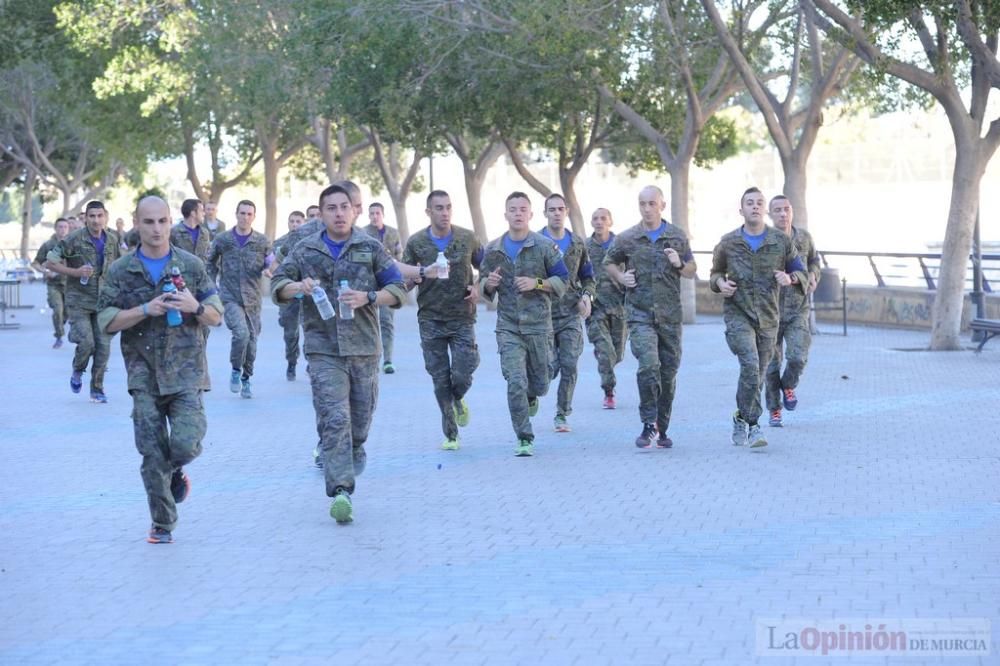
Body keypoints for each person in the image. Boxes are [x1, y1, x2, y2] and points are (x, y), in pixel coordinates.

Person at [271, 184, 405, 524]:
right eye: (331, 208)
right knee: (334, 418)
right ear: (322, 213)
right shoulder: (305, 249)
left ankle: (355, 448)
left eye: (344, 207)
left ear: (354, 210)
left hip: (363, 347)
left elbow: (396, 288)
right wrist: (298, 287)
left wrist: (369, 297)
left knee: (359, 421)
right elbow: (278, 285)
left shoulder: (370, 246)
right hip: (322, 349)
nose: (339, 213)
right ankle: (341, 490)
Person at [97, 196, 223, 544]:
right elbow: (106, 320)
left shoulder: (191, 266)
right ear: (136, 223)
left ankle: (177, 468)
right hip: (144, 374)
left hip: (186, 373)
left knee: (184, 444)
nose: (156, 229)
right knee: (151, 453)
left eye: (162, 221)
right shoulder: (121, 270)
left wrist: (194, 306)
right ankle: (163, 523)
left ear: (171, 222)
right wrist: (144, 309)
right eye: (148, 222)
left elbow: (216, 314)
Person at [710, 187, 807, 449]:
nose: (755, 206)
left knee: (758, 375)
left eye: (759, 203)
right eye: (749, 203)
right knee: (751, 366)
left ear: (765, 210)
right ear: (741, 210)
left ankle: (740, 415)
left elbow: (800, 270)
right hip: (738, 315)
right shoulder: (728, 242)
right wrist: (720, 283)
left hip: (768, 318)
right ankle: (754, 425)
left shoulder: (781, 241)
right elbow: (714, 273)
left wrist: (790, 278)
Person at [604, 186, 697, 449]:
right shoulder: (628, 238)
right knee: (648, 366)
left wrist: (679, 263)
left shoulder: (677, 236)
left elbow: (691, 269)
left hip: (669, 317)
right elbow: (609, 262)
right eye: (642, 204)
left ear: (662, 206)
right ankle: (647, 422)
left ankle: (662, 426)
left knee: (668, 373)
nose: (647, 209)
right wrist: (621, 277)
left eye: (652, 204)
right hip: (639, 313)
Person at [479, 192, 569, 457]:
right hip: (509, 327)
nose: (518, 213)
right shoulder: (493, 249)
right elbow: (482, 285)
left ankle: (533, 395)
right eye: (512, 209)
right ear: (505, 214)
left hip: (539, 326)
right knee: (515, 380)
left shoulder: (544, 246)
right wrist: (488, 284)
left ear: (530, 215)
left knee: (540, 383)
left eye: (523, 209)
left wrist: (537, 283)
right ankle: (524, 437)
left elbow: (562, 281)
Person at [400, 190, 483, 450]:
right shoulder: (416, 243)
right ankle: (451, 434)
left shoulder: (467, 238)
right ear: (428, 212)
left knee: (463, 371)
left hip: (462, 318)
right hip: (431, 319)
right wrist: (414, 279)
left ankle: (458, 398)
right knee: (439, 378)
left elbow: (488, 266)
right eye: (439, 208)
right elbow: (403, 279)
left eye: (448, 207)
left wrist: (478, 287)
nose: (445, 212)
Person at [45, 200, 123, 403]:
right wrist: (75, 272)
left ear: (105, 216)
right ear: (85, 218)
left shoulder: (113, 240)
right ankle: (78, 369)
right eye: (92, 216)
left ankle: (97, 389)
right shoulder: (73, 239)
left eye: (99, 216)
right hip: (78, 300)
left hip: (104, 301)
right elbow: (50, 262)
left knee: (103, 346)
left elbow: (119, 266)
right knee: (87, 343)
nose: (96, 220)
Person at [539, 193, 595, 433]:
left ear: (567, 211)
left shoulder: (577, 243)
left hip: (571, 313)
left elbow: (588, 277)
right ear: (545, 214)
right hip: (541, 315)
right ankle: (533, 393)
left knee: (570, 363)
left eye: (560, 209)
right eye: (552, 209)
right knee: (546, 368)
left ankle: (562, 414)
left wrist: (586, 296)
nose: (557, 213)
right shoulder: (535, 242)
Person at [205, 200, 272, 399]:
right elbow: (210, 262)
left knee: (251, 343)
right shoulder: (223, 239)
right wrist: (211, 286)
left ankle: (246, 378)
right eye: (242, 213)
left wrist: (269, 269)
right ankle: (235, 369)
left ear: (254, 216)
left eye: (249, 214)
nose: (245, 217)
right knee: (241, 334)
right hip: (230, 295)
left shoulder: (261, 241)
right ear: (236, 214)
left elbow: (270, 260)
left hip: (252, 299)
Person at [765, 195, 821, 427]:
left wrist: (814, 276)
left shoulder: (804, 238)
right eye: (777, 210)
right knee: (771, 365)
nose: (782, 214)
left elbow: (814, 262)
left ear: (792, 212)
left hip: (798, 309)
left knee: (797, 356)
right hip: (769, 312)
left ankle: (788, 385)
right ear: (770, 215)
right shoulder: (764, 241)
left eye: (786, 209)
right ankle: (774, 409)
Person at [585, 208, 627, 409]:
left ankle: (603, 356)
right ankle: (609, 391)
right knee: (606, 351)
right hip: (595, 308)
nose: (599, 222)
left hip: (620, 307)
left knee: (617, 355)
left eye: (603, 218)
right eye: (595, 218)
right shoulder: (584, 247)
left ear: (610, 221)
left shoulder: (622, 245)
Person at [363, 202, 404, 374]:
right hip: (369, 283)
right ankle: (372, 358)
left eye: (377, 213)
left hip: (387, 283)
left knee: (387, 322)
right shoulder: (363, 233)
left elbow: (399, 256)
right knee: (369, 322)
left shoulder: (393, 233)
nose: (374, 216)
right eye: (371, 213)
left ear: (383, 214)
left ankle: (387, 359)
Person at [274, 210, 306, 380]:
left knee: (311, 330)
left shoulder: (311, 242)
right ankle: (291, 361)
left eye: (298, 221)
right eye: (292, 221)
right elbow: (274, 267)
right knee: (290, 333)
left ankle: (312, 363)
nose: (294, 224)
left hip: (308, 294)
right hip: (289, 295)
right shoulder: (280, 243)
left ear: (304, 223)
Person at [32, 218, 70, 348]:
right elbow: (35, 263)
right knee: (58, 309)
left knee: (67, 313)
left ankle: (60, 325)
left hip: (70, 285)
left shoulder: (73, 244)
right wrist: (45, 271)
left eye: (65, 227)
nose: (63, 229)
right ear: (55, 228)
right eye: (60, 227)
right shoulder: (48, 245)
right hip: (54, 284)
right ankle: (59, 336)